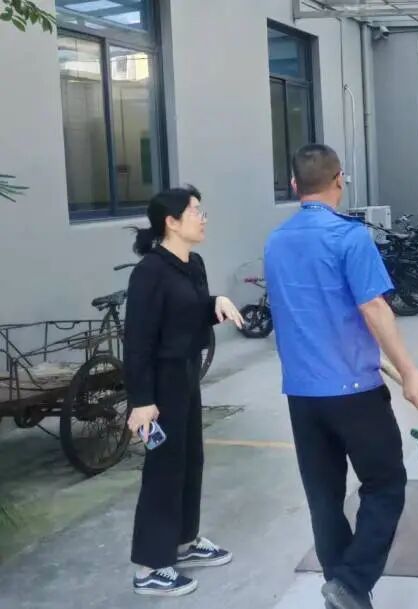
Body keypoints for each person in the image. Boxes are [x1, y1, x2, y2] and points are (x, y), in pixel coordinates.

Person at [264, 144, 418, 609]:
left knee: (324, 499)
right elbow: (374, 307)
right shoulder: (350, 237)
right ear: (340, 179)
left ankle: (342, 592)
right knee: (386, 484)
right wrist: (410, 372)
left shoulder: (276, 242)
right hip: (354, 391)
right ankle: (353, 583)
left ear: (295, 186)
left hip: (302, 395)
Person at [124, 185, 244, 597]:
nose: (203, 218)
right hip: (160, 382)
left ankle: (183, 542)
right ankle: (150, 567)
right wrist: (141, 401)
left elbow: (189, 312)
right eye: (195, 211)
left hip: (187, 374)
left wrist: (216, 303)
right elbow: (137, 341)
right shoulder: (150, 272)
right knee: (163, 469)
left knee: (190, 460)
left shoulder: (193, 263)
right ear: (171, 222)